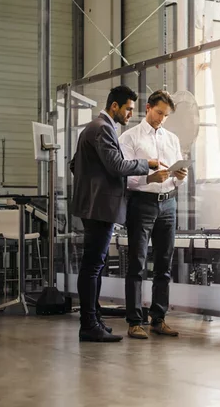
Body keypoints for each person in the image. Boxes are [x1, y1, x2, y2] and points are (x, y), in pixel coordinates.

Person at [70, 85, 164, 343]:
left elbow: (74, 164)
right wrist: (148, 164)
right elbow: (116, 165)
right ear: (115, 106)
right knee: (92, 267)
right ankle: (89, 324)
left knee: (95, 267)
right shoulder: (102, 128)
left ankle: (94, 319)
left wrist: (92, 181)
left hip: (95, 206)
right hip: (99, 208)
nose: (130, 114)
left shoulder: (94, 128)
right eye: (129, 109)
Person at [119, 90, 188, 339]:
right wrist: (148, 177)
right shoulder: (130, 137)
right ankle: (134, 321)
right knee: (137, 263)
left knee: (164, 265)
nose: (161, 119)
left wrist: (180, 177)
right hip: (142, 203)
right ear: (147, 108)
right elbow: (123, 175)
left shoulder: (172, 139)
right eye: (159, 112)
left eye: (166, 115)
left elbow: (179, 172)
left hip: (168, 203)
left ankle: (159, 318)